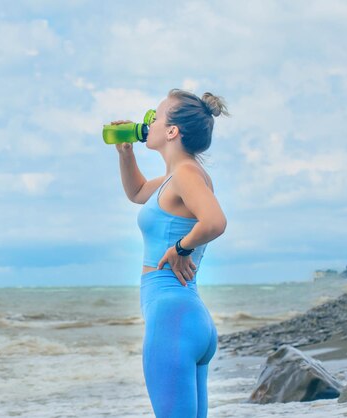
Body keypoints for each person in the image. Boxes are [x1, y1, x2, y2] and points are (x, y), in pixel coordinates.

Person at [112, 89, 229, 417]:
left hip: (172, 318)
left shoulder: (187, 175)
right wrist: (125, 153)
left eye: (157, 115)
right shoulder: (177, 178)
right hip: (188, 316)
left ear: (172, 131)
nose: (149, 120)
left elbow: (216, 221)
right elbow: (136, 192)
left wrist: (181, 247)